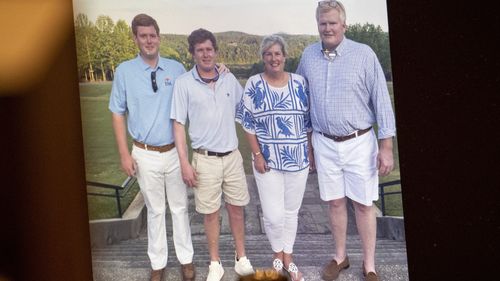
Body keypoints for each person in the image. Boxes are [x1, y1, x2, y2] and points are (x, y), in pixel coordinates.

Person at [296, 1, 396, 281]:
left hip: (359, 142)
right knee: (335, 203)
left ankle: (370, 264)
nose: (327, 28)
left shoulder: (364, 55)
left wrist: (386, 147)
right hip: (324, 143)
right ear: (318, 25)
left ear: (344, 25)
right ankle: (340, 257)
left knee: (363, 205)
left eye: (332, 23)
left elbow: (382, 102)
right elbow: (302, 101)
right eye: (322, 23)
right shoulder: (308, 56)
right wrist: (308, 143)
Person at [108, 14, 196, 281]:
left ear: (159, 37)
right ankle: (158, 263)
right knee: (155, 211)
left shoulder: (176, 68)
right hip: (144, 153)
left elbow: (200, 83)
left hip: (174, 152)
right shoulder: (124, 71)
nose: (149, 40)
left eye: (152, 35)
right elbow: (117, 113)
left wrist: (221, 70)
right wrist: (124, 153)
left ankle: (186, 260)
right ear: (135, 38)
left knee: (180, 208)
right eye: (143, 36)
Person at [171, 28, 255, 281]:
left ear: (216, 51)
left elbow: (246, 111)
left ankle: (241, 259)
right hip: (204, 159)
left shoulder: (229, 79)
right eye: (200, 50)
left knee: (237, 209)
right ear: (193, 54)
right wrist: (184, 163)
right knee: (210, 214)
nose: (206, 54)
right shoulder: (183, 83)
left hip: (232, 156)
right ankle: (215, 262)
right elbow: (178, 124)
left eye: (209, 49)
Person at [236, 34, 312, 281]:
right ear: (263, 58)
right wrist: (257, 154)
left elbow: (307, 122)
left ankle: (288, 257)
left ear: (284, 56)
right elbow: (248, 123)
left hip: (297, 160)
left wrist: (310, 151)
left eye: (277, 53)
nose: (273, 58)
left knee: (291, 212)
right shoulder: (254, 84)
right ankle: (276, 256)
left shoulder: (300, 82)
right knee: (272, 214)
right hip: (266, 162)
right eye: (268, 54)